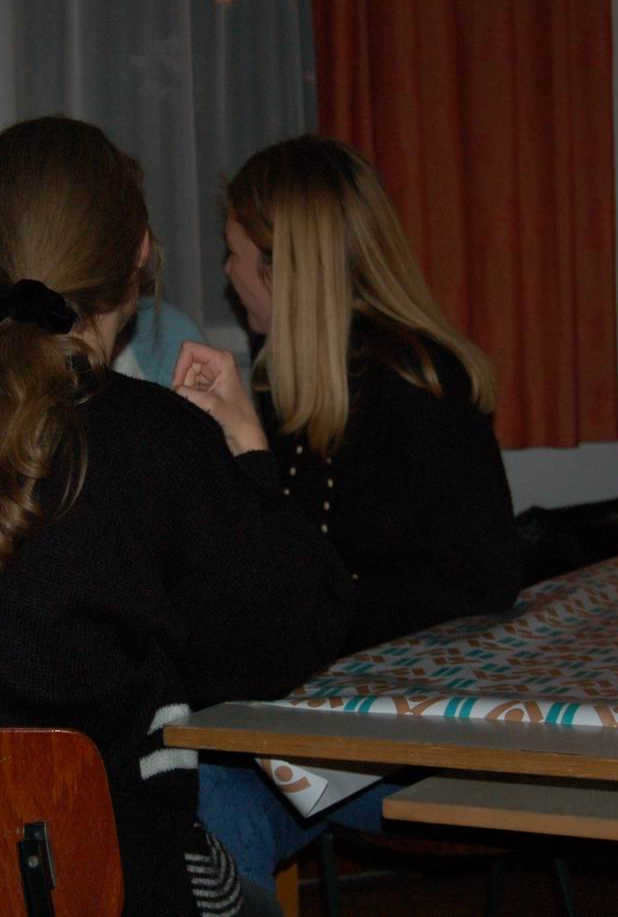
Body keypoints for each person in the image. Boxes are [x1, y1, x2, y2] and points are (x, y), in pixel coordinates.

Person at [0, 116, 352, 917]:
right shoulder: (155, 435)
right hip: (95, 880)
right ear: (139, 252)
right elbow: (286, 649)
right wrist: (249, 454)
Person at [196, 134, 523, 891]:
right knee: (200, 788)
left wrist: (322, 614)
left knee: (210, 788)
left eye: (234, 255)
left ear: (284, 269)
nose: (227, 275)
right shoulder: (279, 386)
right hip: (319, 734)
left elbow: (484, 581)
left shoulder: (420, 386)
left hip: (416, 745)